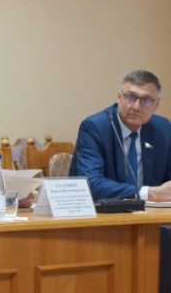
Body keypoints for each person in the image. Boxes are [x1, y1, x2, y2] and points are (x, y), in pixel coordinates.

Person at [69, 70, 171, 201]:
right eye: (131, 97)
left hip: (151, 211)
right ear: (119, 97)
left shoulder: (163, 128)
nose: (136, 107)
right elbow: (91, 184)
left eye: (146, 100)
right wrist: (150, 193)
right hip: (103, 211)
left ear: (156, 105)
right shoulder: (94, 127)